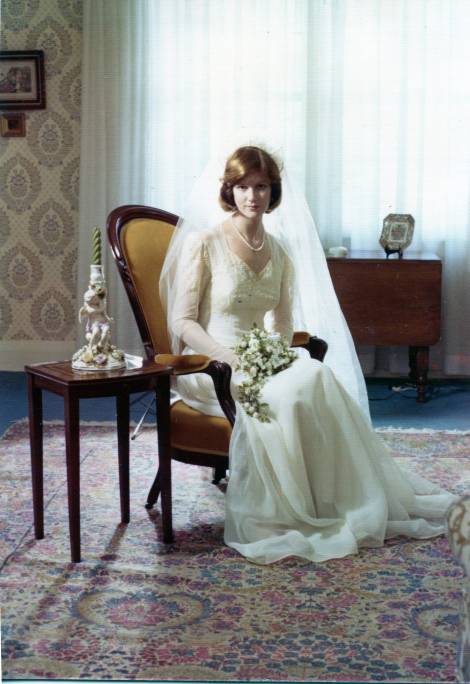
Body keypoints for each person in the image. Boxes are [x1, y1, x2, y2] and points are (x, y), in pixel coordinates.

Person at [160, 145, 457, 564]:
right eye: (242, 187)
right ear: (229, 190)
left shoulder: (278, 250)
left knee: (316, 377)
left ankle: (336, 502)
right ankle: (288, 513)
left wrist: (274, 354)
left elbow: (281, 323)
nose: (251, 196)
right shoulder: (205, 243)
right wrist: (228, 355)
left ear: (273, 191)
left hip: (261, 356)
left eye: (261, 187)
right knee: (287, 394)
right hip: (211, 365)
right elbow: (183, 321)